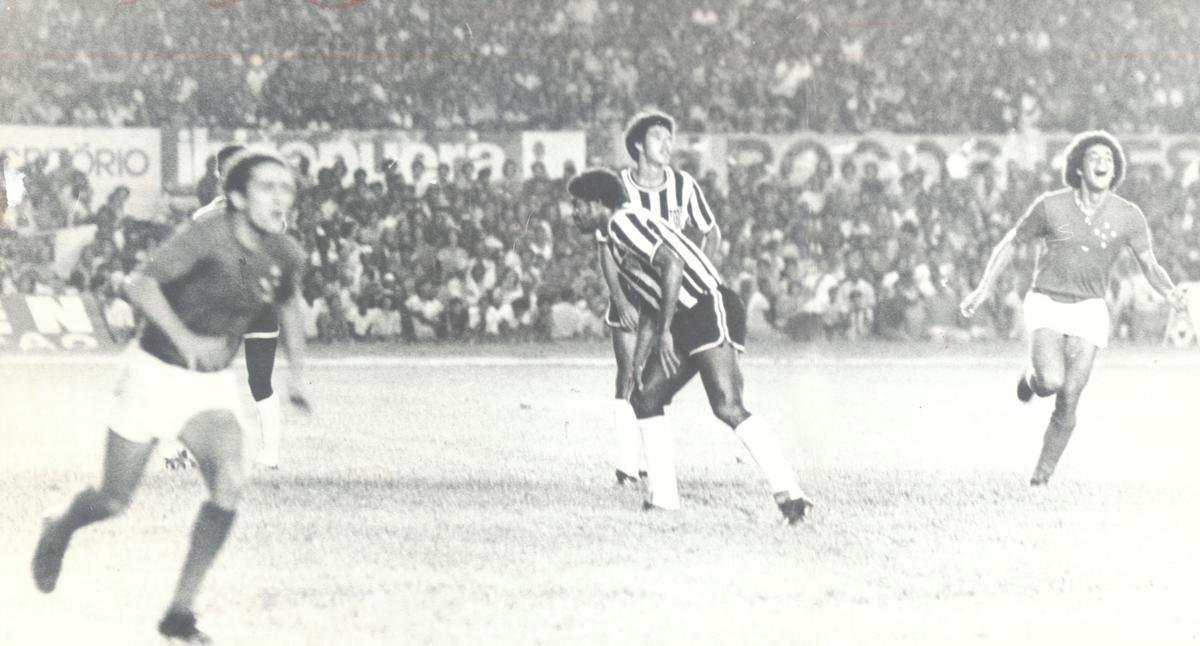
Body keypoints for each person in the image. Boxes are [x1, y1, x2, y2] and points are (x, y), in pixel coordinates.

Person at [32, 152, 311, 643]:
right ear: (240, 198)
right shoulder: (207, 236)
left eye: (286, 188)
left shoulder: (286, 252)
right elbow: (140, 284)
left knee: (230, 480)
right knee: (113, 500)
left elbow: (289, 303)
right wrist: (186, 341)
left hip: (209, 386)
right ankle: (60, 527)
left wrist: (297, 376)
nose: (280, 198)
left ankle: (180, 612)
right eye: (267, 187)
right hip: (153, 374)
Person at [569, 168, 812, 524]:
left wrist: (666, 331)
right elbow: (653, 304)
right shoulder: (617, 239)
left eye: (578, 206)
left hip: (707, 305)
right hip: (682, 317)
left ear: (598, 203)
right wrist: (638, 361)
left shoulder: (623, 222)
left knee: (727, 405)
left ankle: (792, 494)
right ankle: (663, 499)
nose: (573, 213)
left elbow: (673, 263)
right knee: (645, 395)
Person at [960, 131, 1188, 486]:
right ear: (1079, 167)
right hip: (1047, 301)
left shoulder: (1129, 215)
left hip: (1090, 309)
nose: (1102, 163)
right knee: (1051, 381)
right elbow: (1010, 243)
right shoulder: (1051, 205)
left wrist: (1171, 292)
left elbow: (1150, 264)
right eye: (1094, 157)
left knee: (1069, 398)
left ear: (1115, 172)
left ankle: (1040, 478)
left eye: (1109, 160)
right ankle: (1031, 378)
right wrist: (983, 286)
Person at [599, 110, 723, 486]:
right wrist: (618, 298)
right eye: (659, 138)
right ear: (638, 145)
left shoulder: (683, 185)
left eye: (670, 138)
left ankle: (655, 463)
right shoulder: (619, 187)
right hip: (633, 296)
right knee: (626, 374)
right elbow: (604, 247)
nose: (668, 144)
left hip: (669, 298)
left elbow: (710, 231)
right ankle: (626, 465)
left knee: (656, 380)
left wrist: (696, 274)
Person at [193, 144, 286, 469]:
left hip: (258, 306)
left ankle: (270, 453)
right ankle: (202, 452)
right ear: (220, 173)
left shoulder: (267, 212)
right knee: (206, 379)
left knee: (259, 380)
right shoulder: (204, 217)